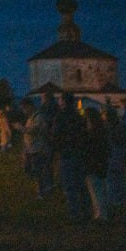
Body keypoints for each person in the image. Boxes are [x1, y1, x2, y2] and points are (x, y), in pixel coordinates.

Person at [51, 93, 90, 223]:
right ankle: (86, 211)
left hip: (67, 154)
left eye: (60, 99)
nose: (58, 102)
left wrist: (56, 147)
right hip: (80, 153)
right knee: (81, 184)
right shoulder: (79, 117)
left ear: (64, 102)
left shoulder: (60, 117)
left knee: (69, 186)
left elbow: (56, 136)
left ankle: (74, 214)